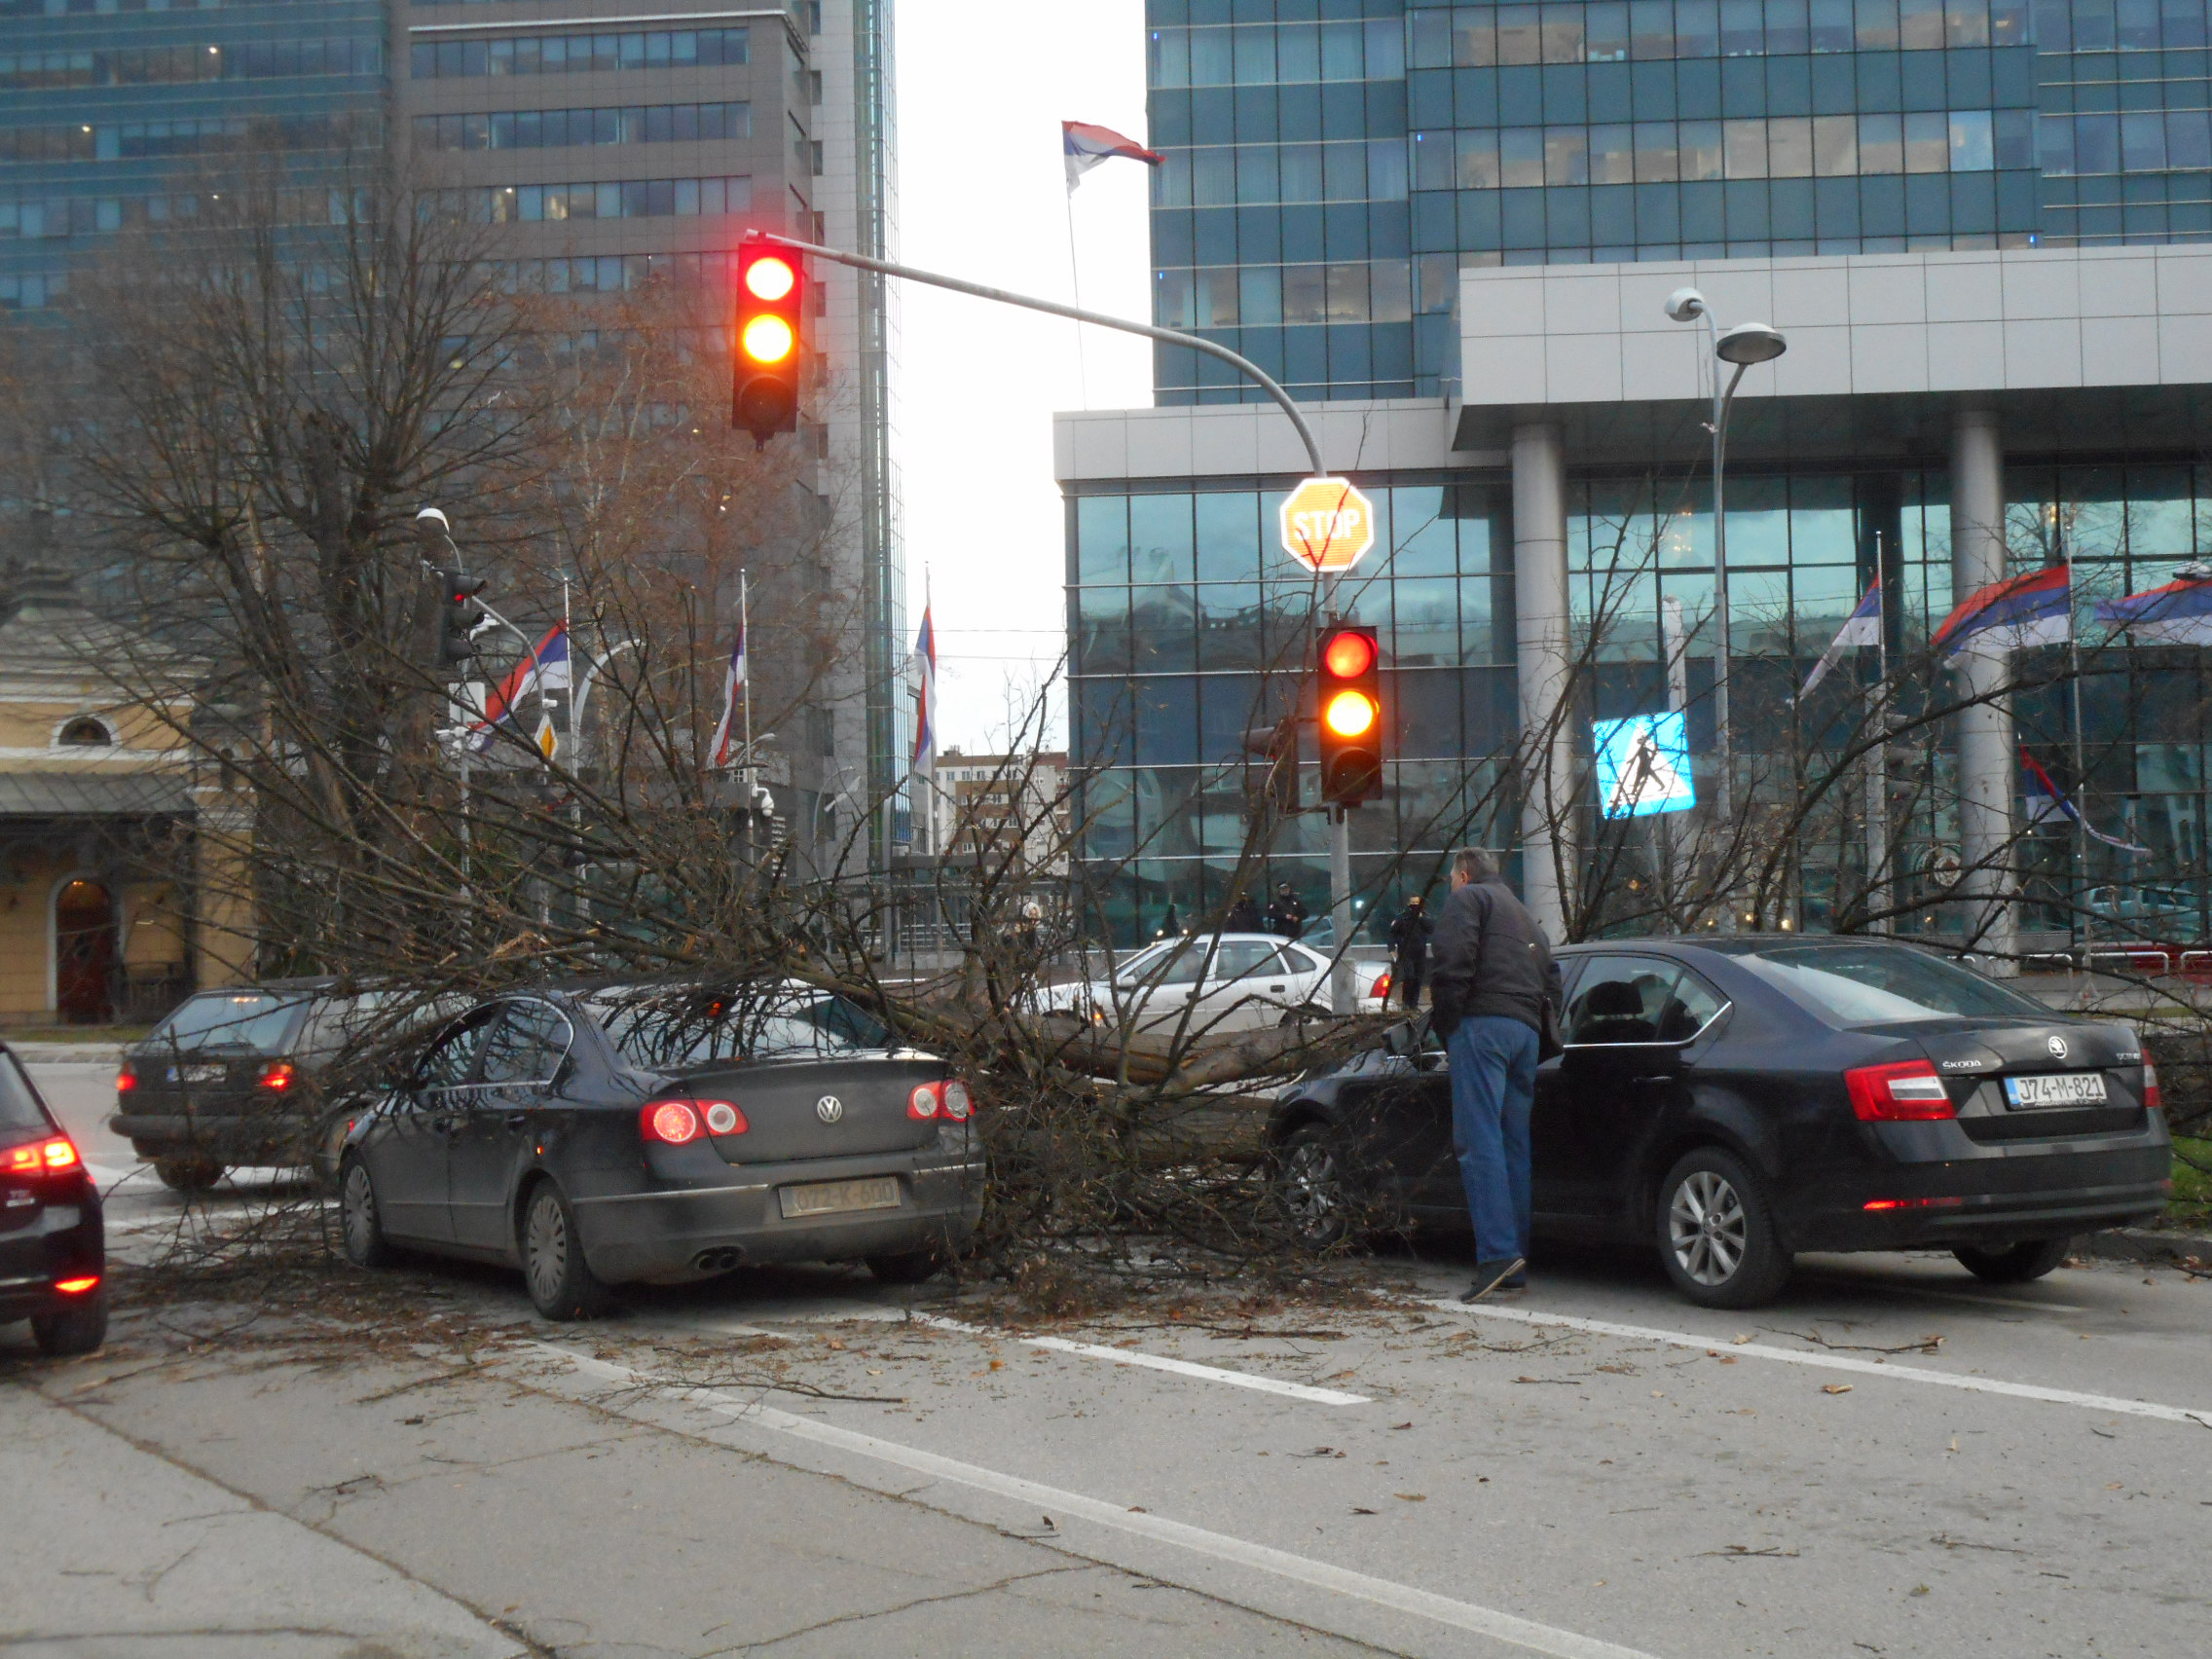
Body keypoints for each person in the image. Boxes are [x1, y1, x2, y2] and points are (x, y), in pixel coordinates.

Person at [1426, 848, 1560, 1304]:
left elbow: (1451, 964)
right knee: (1512, 1146)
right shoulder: (1526, 917)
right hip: (1525, 1033)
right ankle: (1515, 1260)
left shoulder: (1468, 900)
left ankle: (1497, 1256)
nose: (1451, 887)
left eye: (1452, 879)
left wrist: (1449, 1026)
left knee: (1477, 1142)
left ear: (1464, 875)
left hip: (1482, 1026)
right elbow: (1552, 980)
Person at [1386, 894, 1432, 1010]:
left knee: (1418, 978)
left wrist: (1421, 918)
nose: (1415, 906)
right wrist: (1391, 949)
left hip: (1420, 953)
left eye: (1417, 903)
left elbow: (1431, 929)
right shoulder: (1402, 918)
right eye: (1413, 903)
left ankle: (1414, 1005)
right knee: (1409, 976)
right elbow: (1392, 933)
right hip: (1406, 953)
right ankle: (1406, 1003)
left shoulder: (1424, 917)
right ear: (1408, 904)